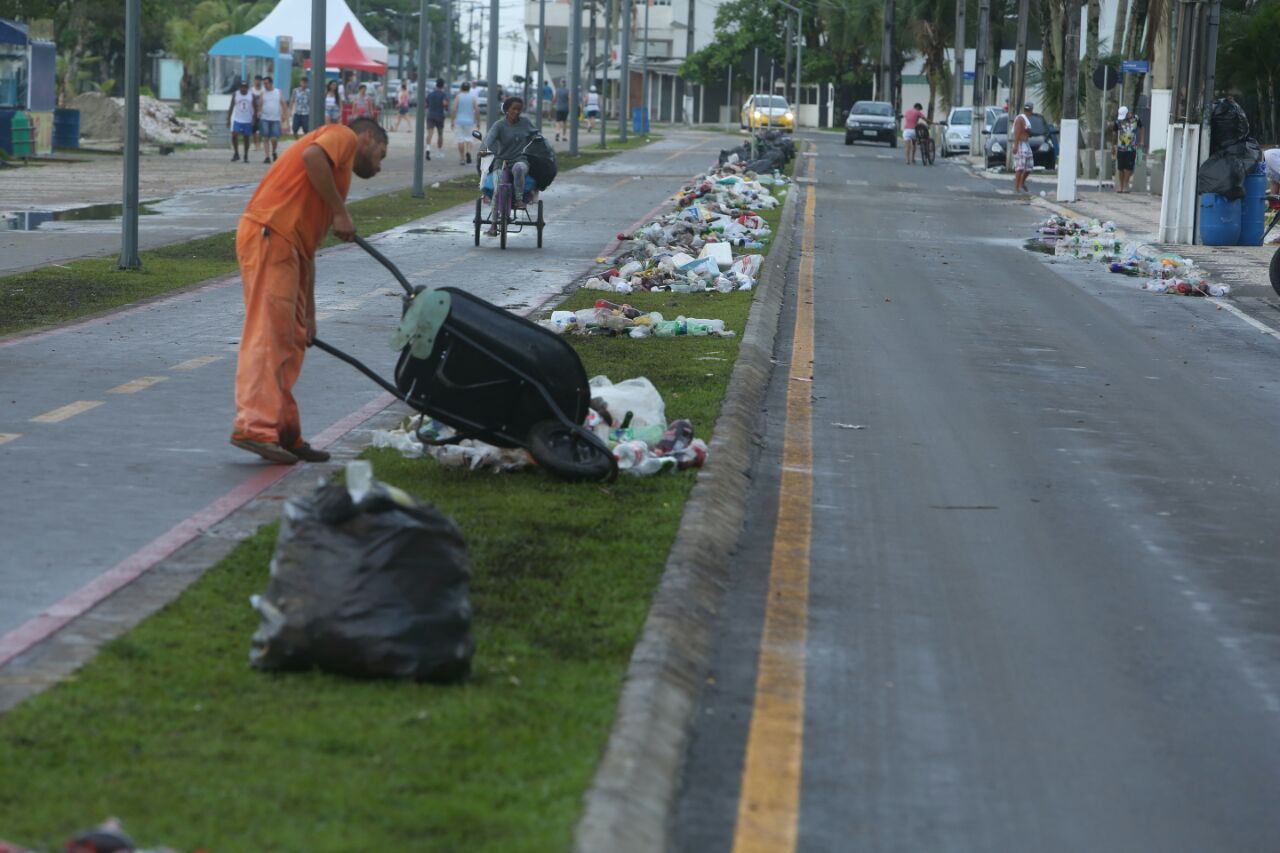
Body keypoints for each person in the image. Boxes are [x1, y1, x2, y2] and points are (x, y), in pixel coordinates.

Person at [230, 117, 389, 464]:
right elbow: (312, 156)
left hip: (291, 245)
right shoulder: (342, 136)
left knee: (291, 337)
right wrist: (340, 213)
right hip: (270, 232)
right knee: (269, 335)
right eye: (381, 154)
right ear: (367, 137)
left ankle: (284, 432)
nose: (379, 165)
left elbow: (310, 247)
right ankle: (253, 427)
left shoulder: (337, 176)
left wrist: (310, 314)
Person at [480, 96, 537, 231]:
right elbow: (489, 139)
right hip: (501, 161)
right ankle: (494, 224)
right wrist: (483, 149)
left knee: (519, 168)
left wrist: (538, 141)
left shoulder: (525, 123)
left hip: (520, 159)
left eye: (519, 109)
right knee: (497, 190)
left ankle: (519, 199)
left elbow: (536, 135)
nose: (516, 112)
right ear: (506, 110)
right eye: (513, 109)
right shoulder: (499, 125)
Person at [1112, 105, 1143, 194]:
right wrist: (1113, 146)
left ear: (1128, 113)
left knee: (1128, 167)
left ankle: (1125, 186)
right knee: (1120, 167)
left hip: (1131, 147)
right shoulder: (1118, 121)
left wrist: (1141, 140)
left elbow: (1142, 127)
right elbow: (1114, 132)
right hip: (1121, 148)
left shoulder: (1136, 119)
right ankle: (1121, 186)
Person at [227, 78, 256, 163]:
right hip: (238, 119)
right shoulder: (236, 94)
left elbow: (255, 107)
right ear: (239, 87)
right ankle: (236, 153)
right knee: (234, 135)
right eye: (242, 87)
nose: (243, 89)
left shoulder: (251, 95)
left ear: (247, 87)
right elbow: (231, 107)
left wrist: (254, 118)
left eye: (245, 87)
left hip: (247, 119)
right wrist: (228, 119)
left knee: (246, 137)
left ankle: (246, 154)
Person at [258, 76, 285, 163]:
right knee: (265, 137)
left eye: (266, 83)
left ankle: (274, 151)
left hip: (275, 118)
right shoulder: (263, 93)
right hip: (265, 118)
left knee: (274, 138)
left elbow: (283, 103)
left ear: (271, 83)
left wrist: (284, 114)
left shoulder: (278, 92)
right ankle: (267, 156)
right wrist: (259, 112)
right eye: (264, 84)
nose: (265, 85)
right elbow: (260, 104)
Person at [452, 80, 478, 166]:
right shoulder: (473, 97)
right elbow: (477, 110)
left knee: (460, 139)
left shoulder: (458, 97)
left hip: (459, 121)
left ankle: (462, 158)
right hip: (470, 121)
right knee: (469, 138)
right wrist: (478, 121)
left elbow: (454, 109)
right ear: (469, 88)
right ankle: (469, 152)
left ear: (461, 88)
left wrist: (452, 121)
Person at [1012, 102, 1035, 193]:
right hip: (1020, 144)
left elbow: (1028, 132)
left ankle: (1022, 183)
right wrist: (1016, 145)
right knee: (1020, 167)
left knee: (1029, 166)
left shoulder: (1026, 119)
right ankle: (1017, 188)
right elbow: (1017, 132)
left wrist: (1029, 132)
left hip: (1026, 144)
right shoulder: (1020, 118)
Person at [425, 78, 449, 160]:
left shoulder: (430, 94)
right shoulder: (443, 94)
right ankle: (439, 152)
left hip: (430, 115)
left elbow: (426, 104)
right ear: (442, 85)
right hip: (439, 115)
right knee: (440, 134)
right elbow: (444, 103)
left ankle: (428, 149)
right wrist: (446, 108)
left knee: (430, 134)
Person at [250, 75, 265, 151]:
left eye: (259, 80)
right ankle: (255, 145)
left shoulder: (263, 90)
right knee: (254, 130)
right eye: (257, 80)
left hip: (261, 112)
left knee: (261, 129)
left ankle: (259, 144)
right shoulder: (251, 90)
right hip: (253, 112)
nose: (258, 82)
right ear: (254, 80)